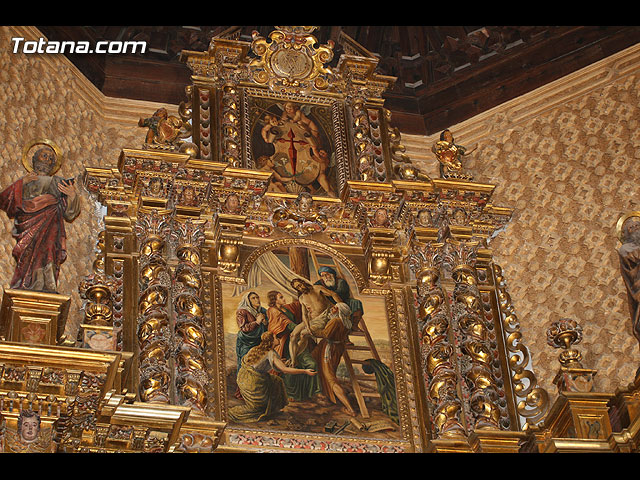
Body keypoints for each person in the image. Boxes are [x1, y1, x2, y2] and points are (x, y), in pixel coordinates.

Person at [0, 144, 80, 292]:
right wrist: (22, 183)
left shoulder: (58, 182)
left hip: (51, 222)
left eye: (50, 158)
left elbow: (70, 213)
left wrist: (72, 195)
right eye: (44, 156)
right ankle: (28, 282)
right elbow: (4, 200)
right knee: (29, 252)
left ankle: (47, 283)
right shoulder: (25, 181)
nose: (47, 160)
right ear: (34, 159)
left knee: (49, 249)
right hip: (28, 223)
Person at [228, 331, 316, 424]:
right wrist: (305, 371)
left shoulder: (256, 349)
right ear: (271, 341)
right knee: (257, 409)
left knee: (276, 381)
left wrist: (282, 363)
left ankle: (274, 409)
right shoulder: (271, 353)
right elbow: (284, 370)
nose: (278, 339)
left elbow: (261, 364)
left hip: (244, 377)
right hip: (253, 382)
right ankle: (235, 412)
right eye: (276, 338)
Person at [311, 303, 357, 417]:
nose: (332, 309)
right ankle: (325, 394)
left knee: (331, 378)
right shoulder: (347, 323)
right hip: (337, 349)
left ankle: (350, 409)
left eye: (334, 308)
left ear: (338, 311)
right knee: (329, 374)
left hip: (329, 349)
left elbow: (325, 334)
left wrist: (311, 330)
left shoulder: (335, 321)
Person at [288, 278, 343, 366]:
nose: (300, 288)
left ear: (303, 282)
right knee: (293, 335)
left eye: (300, 285)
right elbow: (304, 314)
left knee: (303, 334)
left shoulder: (317, 288)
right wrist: (307, 326)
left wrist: (341, 305)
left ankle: (294, 359)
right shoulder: (302, 298)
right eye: (297, 288)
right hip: (311, 319)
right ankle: (293, 360)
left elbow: (333, 294)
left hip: (323, 317)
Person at [234, 291, 268, 397]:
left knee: (258, 367)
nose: (257, 299)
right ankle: (243, 392)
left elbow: (268, 324)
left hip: (258, 342)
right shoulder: (242, 312)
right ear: (248, 300)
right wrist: (257, 322)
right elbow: (244, 328)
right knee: (246, 366)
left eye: (257, 297)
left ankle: (255, 392)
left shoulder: (262, 310)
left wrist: (265, 322)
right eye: (253, 298)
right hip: (246, 342)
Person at [314, 266, 364, 331]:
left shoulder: (341, 282)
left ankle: (354, 325)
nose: (325, 277)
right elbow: (314, 290)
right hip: (328, 302)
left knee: (357, 303)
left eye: (327, 274)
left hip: (343, 300)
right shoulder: (319, 283)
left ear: (332, 274)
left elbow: (340, 294)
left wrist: (328, 293)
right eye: (323, 276)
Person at [618, 215, 640, 344]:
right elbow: (633, 260)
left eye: (637, 225)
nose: (635, 228)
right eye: (631, 228)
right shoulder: (625, 249)